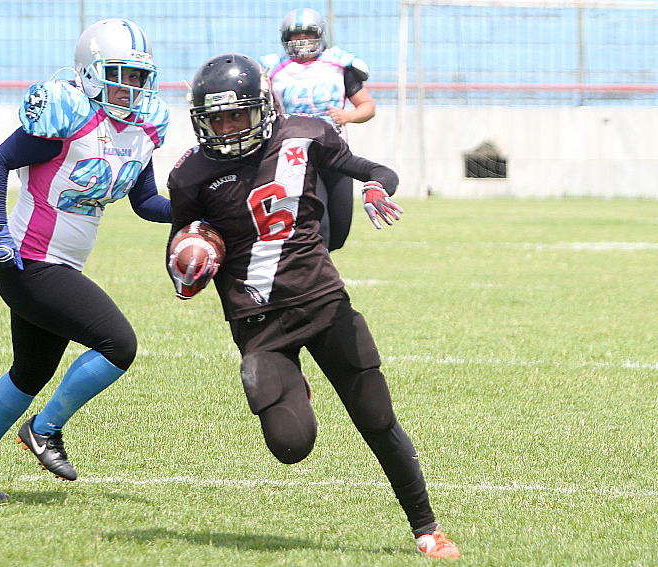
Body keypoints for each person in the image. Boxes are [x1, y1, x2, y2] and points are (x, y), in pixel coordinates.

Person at [166, 53, 458, 559]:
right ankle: (291, 381)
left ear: (264, 108)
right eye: (218, 117)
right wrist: (188, 267)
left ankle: (427, 528)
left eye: (238, 113)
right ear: (201, 121)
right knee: (290, 446)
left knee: (377, 418)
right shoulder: (191, 175)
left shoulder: (304, 134)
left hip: (323, 302)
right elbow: (182, 245)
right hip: (257, 322)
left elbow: (376, 169)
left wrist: (374, 186)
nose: (229, 126)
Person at [0, 18, 172, 502]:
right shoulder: (68, 114)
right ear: (91, 72)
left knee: (30, 371)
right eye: (119, 73)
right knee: (119, 344)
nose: (129, 87)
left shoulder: (141, 129)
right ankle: (44, 429)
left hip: (62, 265)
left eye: (137, 76)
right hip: (28, 260)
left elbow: (147, 202)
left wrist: (198, 212)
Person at [259, 8, 377, 251]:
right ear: (285, 39)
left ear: (319, 35)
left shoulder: (338, 65)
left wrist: (348, 115)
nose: (302, 40)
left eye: (308, 34)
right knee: (318, 227)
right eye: (295, 35)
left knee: (339, 232)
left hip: (336, 154)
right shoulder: (273, 70)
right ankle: (315, 279)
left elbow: (367, 106)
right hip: (298, 157)